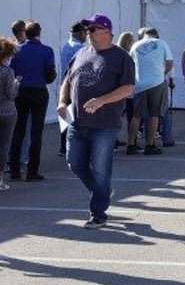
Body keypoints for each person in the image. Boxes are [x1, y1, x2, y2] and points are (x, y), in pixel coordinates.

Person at [59, 14, 135, 229]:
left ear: (105, 32)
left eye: (91, 30)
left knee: (101, 169)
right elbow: (67, 80)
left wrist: (102, 100)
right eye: (87, 30)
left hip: (104, 124)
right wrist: (62, 102)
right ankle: (102, 191)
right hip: (77, 121)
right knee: (74, 163)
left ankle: (98, 213)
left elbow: (128, 88)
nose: (87, 34)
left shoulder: (121, 57)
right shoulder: (82, 53)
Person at [9, 20, 57, 181]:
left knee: (18, 131)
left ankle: (14, 169)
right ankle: (32, 171)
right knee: (36, 133)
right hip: (39, 91)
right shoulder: (47, 51)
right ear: (39, 33)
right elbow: (50, 76)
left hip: (20, 91)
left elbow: (12, 72)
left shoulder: (17, 50)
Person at [127, 28, 173, 155]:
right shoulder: (162, 43)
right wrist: (160, 73)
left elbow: (130, 64)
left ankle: (130, 144)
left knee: (136, 116)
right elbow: (169, 63)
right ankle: (150, 145)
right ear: (156, 35)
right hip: (156, 83)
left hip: (140, 83)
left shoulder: (135, 45)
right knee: (154, 115)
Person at [59, 21, 88, 156]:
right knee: (78, 119)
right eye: (86, 33)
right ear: (81, 33)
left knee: (66, 117)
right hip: (76, 87)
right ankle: (75, 148)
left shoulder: (66, 46)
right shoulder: (80, 48)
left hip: (65, 85)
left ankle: (63, 147)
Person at [0, 37, 20, 191]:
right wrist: (16, 83)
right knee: (3, 146)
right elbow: (11, 94)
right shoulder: (8, 72)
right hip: (6, 112)